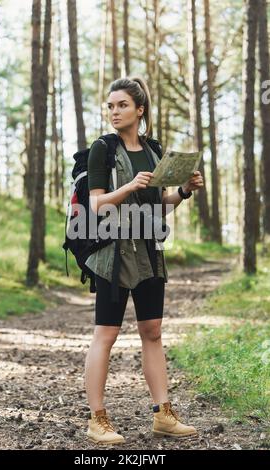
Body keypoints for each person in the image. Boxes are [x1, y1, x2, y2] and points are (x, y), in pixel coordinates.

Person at [84, 76, 204, 445]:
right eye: (110, 105)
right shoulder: (102, 149)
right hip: (113, 254)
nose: (115, 112)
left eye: (122, 105)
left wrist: (183, 191)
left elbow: (159, 206)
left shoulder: (154, 150)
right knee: (106, 333)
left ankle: (163, 414)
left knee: (152, 332)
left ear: (140, 109)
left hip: (150, 251)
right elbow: (95, 204)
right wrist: (129, 186)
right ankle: (97, 419)